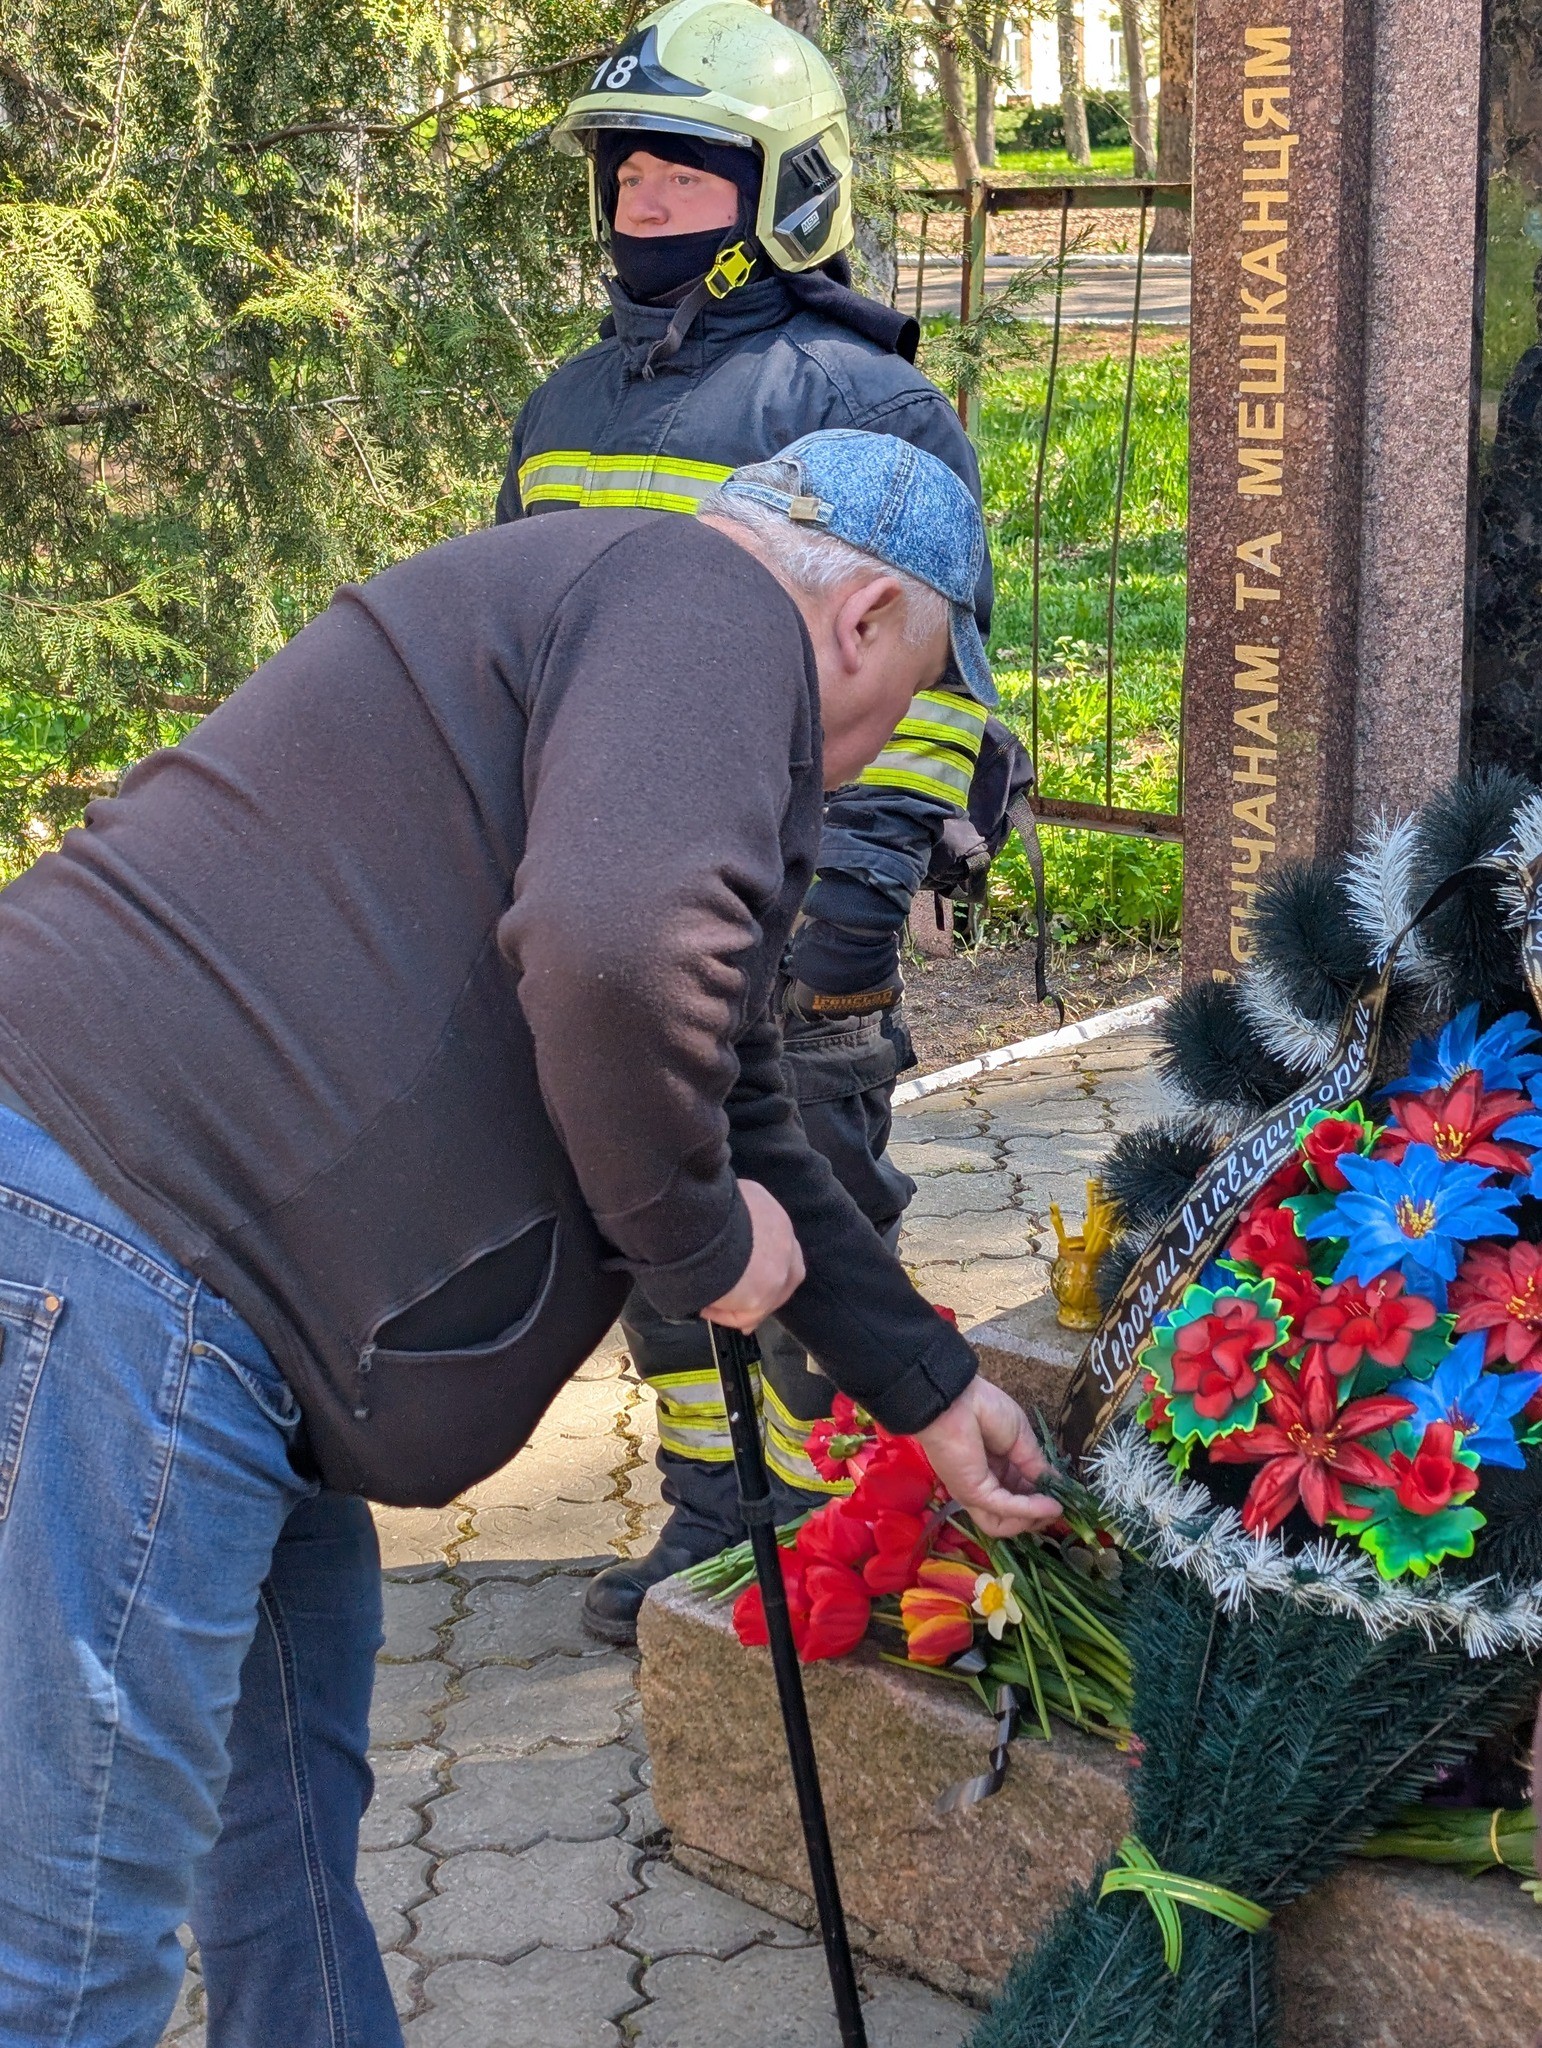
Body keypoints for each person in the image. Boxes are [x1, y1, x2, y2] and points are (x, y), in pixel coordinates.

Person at [0, 430, 1058, 2048]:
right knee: (73, 1936)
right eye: (915, 690)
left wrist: (920, 1384)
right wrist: (695, 1244)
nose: (877, 749)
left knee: (281, 1806)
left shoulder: (622, 624)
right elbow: (621, 958)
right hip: (127, 1242)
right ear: (861, 622)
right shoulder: (708, 602)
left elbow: (725, 1089)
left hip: (212, 1284)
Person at [499, 0, 1002, 1642]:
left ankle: (842, 1537)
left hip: (793, 920)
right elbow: (529, 651)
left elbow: (926, 677)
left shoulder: (862, 401)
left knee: (819, 1246)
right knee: (662, 1237)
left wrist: (847, 909)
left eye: (687, 166)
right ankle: (717, 1519)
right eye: (622, 166)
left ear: (784, 191)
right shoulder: (566, 401)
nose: (641, 191)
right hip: (626, 905)